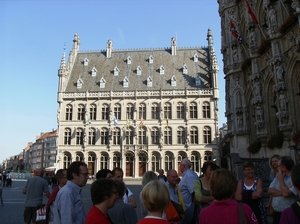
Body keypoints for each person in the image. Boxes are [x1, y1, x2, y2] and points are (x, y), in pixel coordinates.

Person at [268, 156, 298, 224]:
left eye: (278, 166)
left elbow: (286, 194)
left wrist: (281, 180)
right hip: (276, 213)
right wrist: (285, 190)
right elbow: (269, 190)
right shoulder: (278, 176)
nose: (277, 168)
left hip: (289, 214)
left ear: (284, 167)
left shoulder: (293, 178)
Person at [178, 158, 199, 224]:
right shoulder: (188, 175)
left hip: (189, 208)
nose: (179, 166)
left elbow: (195, 193)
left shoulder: (189, 176)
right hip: (187, 207)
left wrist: (192, 207)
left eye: (180, 165)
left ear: (183, 166)